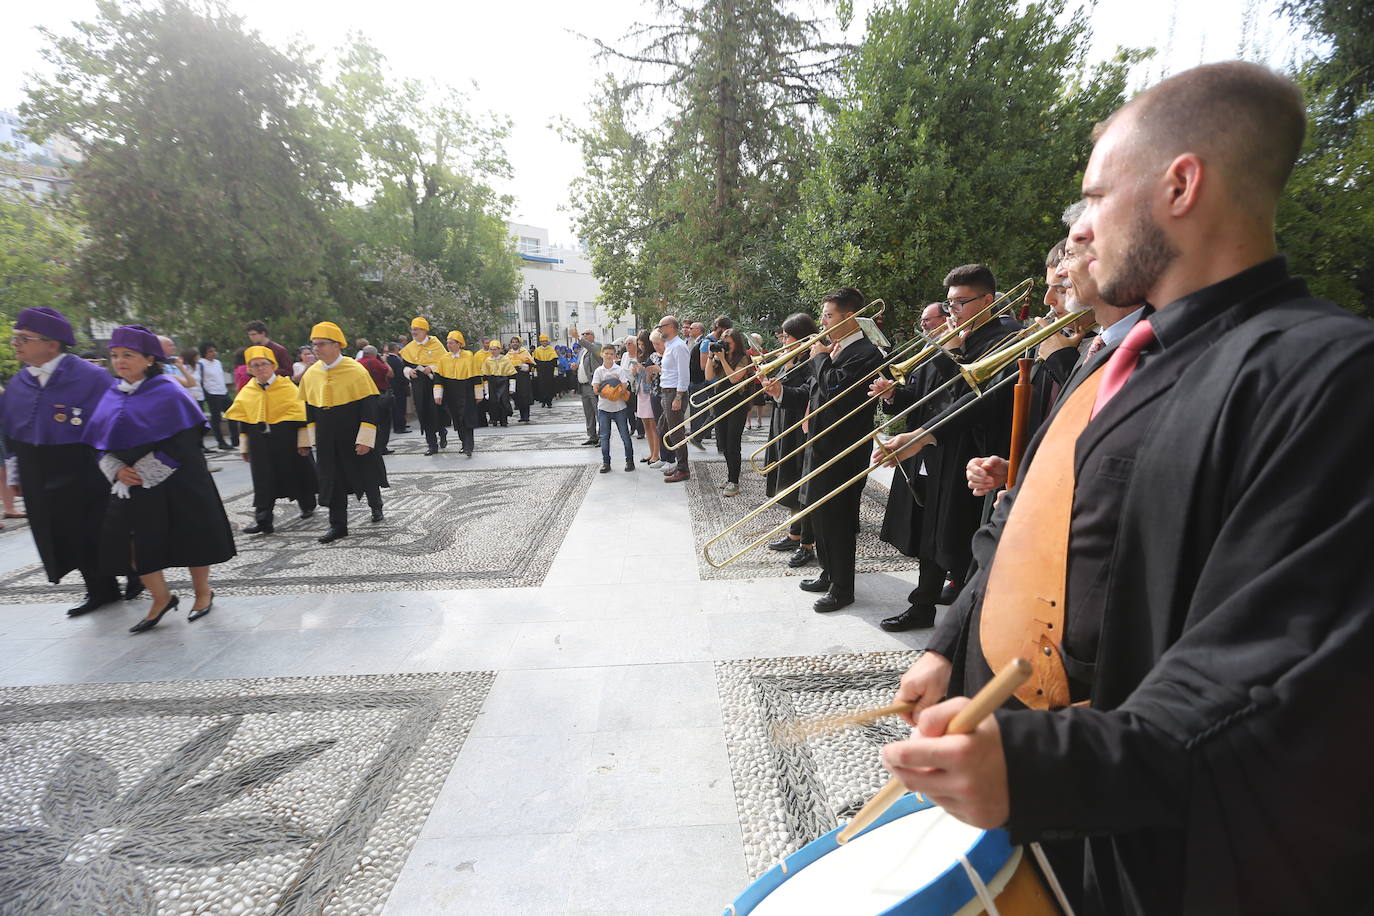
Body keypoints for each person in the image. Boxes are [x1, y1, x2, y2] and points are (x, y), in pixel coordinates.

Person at [879, 61, 1374, 915]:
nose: (1080, 228)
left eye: (1097, 196)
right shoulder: (1115, 359)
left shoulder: (1328, 377)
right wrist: (948, 644)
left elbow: (1266, 674)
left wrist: (1038, 769)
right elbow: (1019, 519)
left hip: (1174, 855)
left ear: (1181, 185)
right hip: (1068, 813)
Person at [871, 264, 1022, 630]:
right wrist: (894, 396)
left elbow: (973, 399)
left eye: (960, 303)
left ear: (987, 300)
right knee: (933, 530)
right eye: (950, 304)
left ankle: (965, 618)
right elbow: (929, 391)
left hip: (973, 452)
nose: (952, 312)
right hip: (938, 448)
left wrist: (948, 352)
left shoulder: (1004, 336)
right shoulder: (963, 333)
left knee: (960, 535)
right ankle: (923, 604)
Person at [85, 325, 236, 632]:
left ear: (148, 359)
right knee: (136, 541)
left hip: (177, 478)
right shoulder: (112, 394)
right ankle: (160, 596)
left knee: (192, 535)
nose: (119, 361)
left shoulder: (168, 389)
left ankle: (203, 592)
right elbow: (96, 441)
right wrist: (115, 468)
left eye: (128, 355)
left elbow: (185, 438)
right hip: (132, 483)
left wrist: (147, 469)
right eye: (114, 355)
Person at [1, 307, 135, 616]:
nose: (16, 344)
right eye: (15, 338)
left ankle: (134, 573)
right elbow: (12, 428)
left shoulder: (91, 376)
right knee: (62, 530)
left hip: (83, 462)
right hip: (37, 465)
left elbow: (115, 420)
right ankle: (99, 589)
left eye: (24, 338)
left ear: (52, 344)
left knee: (101, 527)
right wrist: (15, 470)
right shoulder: (21, 381)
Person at [760, 288, 884, 612]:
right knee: (820, 515)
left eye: (828, 315)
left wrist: (818, 357)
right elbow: (812, 392)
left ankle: (843, 589)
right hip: (818, 445)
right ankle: (829, 574)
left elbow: (833, 391)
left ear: (850, 317)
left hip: (843, 449)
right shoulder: (837, 349)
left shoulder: (866, 353)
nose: (823, 322)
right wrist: (780, 392)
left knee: (839, 520)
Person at [297, 321, 388, 543]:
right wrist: (305, 441)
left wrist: (365, 439)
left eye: (321, 344)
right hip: (327, 438)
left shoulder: (356, 370)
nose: (316, 348)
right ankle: (338, 525)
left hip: (354, 433)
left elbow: (369, 408)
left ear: (337, 345)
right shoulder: (311, 374)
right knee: (331, 479)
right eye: (314, 344)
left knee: (367, 473)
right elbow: (306, 411)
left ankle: (376, 505)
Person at [223, 346, 318, 534]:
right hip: (260, 443)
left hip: (287, 440)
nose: (260, 369)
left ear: (272, 365)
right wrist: (244, 447)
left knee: (295, 471)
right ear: (250, 369)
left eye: (263, 364)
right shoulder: (247, 391)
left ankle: (307, 504)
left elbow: (301, 417)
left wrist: (304, 443)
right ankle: (263, 519)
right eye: (255, 365)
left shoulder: (287, 387)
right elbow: (243, 422)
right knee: (262, 479)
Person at [762, 312, 820, 567]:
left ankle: (806, 543)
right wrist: (771, 385)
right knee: (787, 480)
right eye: (783, 335)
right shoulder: (788, 360)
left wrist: (781, 390)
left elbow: (807, 394)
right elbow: (776, 394)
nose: (783, 340)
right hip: (781, 426)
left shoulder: (811, 361)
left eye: (787, 336)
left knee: (799, 484)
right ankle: (794, 533)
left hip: (799, 429)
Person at [703, 327, 756, 496]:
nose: (725, 345)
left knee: (733, 444)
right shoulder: (721, 357)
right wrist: (712, 357)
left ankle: (734, 481)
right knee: (724, 444)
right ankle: (730, 476)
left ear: (736, 343)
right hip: (721, 402)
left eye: (729, 343)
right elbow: (709, 376)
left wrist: (723, 359)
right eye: (723, 342)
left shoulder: (743, 358)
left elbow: (734, 378)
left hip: (737, 404)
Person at [400, 317, 449, 455]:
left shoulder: (436, 345)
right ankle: (431, 445)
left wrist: (432, 368)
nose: (413, 332)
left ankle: (442, 431)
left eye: (416, 329)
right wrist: (409, 371)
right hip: (419, 384)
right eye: (412, 329)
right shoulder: (409, 348)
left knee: (437, 412)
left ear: (424, 330)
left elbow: (444, 362)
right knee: (424, 412)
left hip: (434, 383)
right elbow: (404, 366)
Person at [436, 330, 483, 456]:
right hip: (451, 394)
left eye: (451, 343)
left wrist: (478, 394)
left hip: (467, 392)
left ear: (459, 344)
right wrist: (438, 394)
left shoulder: (469, 356)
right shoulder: (443, 359)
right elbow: (438, 378)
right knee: (457, 420)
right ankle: (464, 443)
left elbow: (476, 376)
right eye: (447, 343)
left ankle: (469, 446)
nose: (448, 345)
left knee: (467, 418)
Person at [656, 315, 692, 482]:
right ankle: (678, 464)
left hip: (674, 394)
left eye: (661, 326)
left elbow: (684, 374)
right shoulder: (670, 346)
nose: (659, 329)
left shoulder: (678, 346)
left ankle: (683, 469)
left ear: (671, 327)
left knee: (676, 433)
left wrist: (678, 397)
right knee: (663, 429)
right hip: (667, 392)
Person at [592, 345, 635, 473]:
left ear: (615, 355)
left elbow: (624, 386)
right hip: (603, 408)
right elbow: (595, 389)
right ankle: (606, 462)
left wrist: (607, 387)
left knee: (625, 436)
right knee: (604, 437)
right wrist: (612, 389)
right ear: (602, 354)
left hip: (619, 408)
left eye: (611, 353)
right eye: (606, 353)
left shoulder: (619, 370)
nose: (609, 356)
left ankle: (630, 461)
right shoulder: (599, 371)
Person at [632, 330, 663, 467]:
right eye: (639, 344)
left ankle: (657, 454)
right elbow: (638, 376)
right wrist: (635, 371)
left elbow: (654, 375)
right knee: (646, 424)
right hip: (640, 392)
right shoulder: (640, 355)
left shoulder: (653, 356)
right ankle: (652, 452)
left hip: (650, 391)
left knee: (653, 424)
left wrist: (644, 370)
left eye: (643, 343)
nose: (641, 346)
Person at [356, 345, 394, 456]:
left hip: (362, 396)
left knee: (368, 422)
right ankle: (382, 447)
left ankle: (369, 445)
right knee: (383, 422)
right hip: (378, 394)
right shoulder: (375, 362)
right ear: (374, 354)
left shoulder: (357, 363)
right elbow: (391, 373)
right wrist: (384, 361)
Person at [196, 342, 233, 451]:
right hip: (212, 393)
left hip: (223, 392)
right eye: (210, 351)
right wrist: (206, 393)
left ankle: (235, 439)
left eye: (214, 350)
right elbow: (200, 380)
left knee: (234, 414)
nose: (213, 353)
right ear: (204, 353)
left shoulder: (217, 362)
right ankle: (220, 441)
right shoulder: (201, 364)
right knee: (216, 418)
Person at [572, 327, 601, 444]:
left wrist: (578, 337)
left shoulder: (597, 346)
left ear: (593, 336)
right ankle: (592, 436)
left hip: (593, 385)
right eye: (583, 334)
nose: (584, 335)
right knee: (588, 413)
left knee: (598, 412)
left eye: (587, 334)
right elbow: (583, 366)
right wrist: (576, 367)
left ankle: (602, 436)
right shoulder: (582, 351)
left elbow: (592, 348)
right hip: (583, 386)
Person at [480, 340, 515, 427]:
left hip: (503, 381)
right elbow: (485, 376)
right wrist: (486, 391)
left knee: (503, 401)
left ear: (500, 349)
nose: (493, 351)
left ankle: (504, 420)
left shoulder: (506, 359)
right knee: (493, 402)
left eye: (495, 349)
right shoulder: (487, 360)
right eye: (491, 349)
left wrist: (512, 388)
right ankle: (494, 419)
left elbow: (512, 374)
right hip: (492, 382)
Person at [382, 343, 410, 433]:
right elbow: (400, 374)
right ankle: (400, 427)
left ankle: (397, 426)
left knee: (395, 408)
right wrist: (406, 382)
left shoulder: (387, 359)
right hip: (399, 387)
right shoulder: (396, 360)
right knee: (400, 407)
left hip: (391, 386)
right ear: (395, 349)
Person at [507, 336, 536, 422]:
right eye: (513, 342)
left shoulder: (525, 352)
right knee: (517, 396)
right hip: (513, 377)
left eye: (516, 342)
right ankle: (521, 415)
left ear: (519, 343)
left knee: (525, 396)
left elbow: (532, 364)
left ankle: (526, 415)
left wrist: (526, 367)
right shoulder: (508, 354)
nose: (515, 343)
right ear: (511, 344)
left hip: (523, 378)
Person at [532, 333, 558, 408]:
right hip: (541, 371)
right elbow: (535, 362)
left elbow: (555, 362)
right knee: (541, 386)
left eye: (545, 341)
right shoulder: (537, 350)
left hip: (549, 371)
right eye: (542, 341)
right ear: (540, 342)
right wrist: (535, 372)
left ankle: (549, 401)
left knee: (550, 386)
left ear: (547, 341)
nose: (544, 342)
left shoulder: (551, 349)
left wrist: (555, 372)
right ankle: (543, 401)